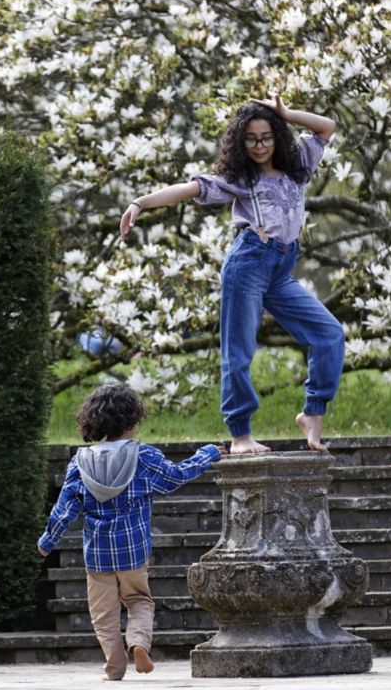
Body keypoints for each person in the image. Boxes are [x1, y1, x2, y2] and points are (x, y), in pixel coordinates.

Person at [118, 96, 342, 454]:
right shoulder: (240, 179)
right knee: (238, 352)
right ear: (241, 142)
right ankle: (240, 434)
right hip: (248, 265)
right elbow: (188, 189)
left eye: (267, 136)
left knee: (329, 333)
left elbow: (326, 126)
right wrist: (139, 203)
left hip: (281, 269)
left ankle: (312, 413)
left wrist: (286, 113)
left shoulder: (298, 164)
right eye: (251, 139)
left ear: (278, 137)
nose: (260, 146)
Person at [37, 383, 224, 681]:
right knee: (139, 601)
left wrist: (47, 541)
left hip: (98, 556)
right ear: (134, 420)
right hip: (134, 551)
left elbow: (64, 509)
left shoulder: (79, 463)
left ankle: (114, 666)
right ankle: (138, 643)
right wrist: (207, 454)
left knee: (103, 614)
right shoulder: (144, 457)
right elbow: (175, 476)